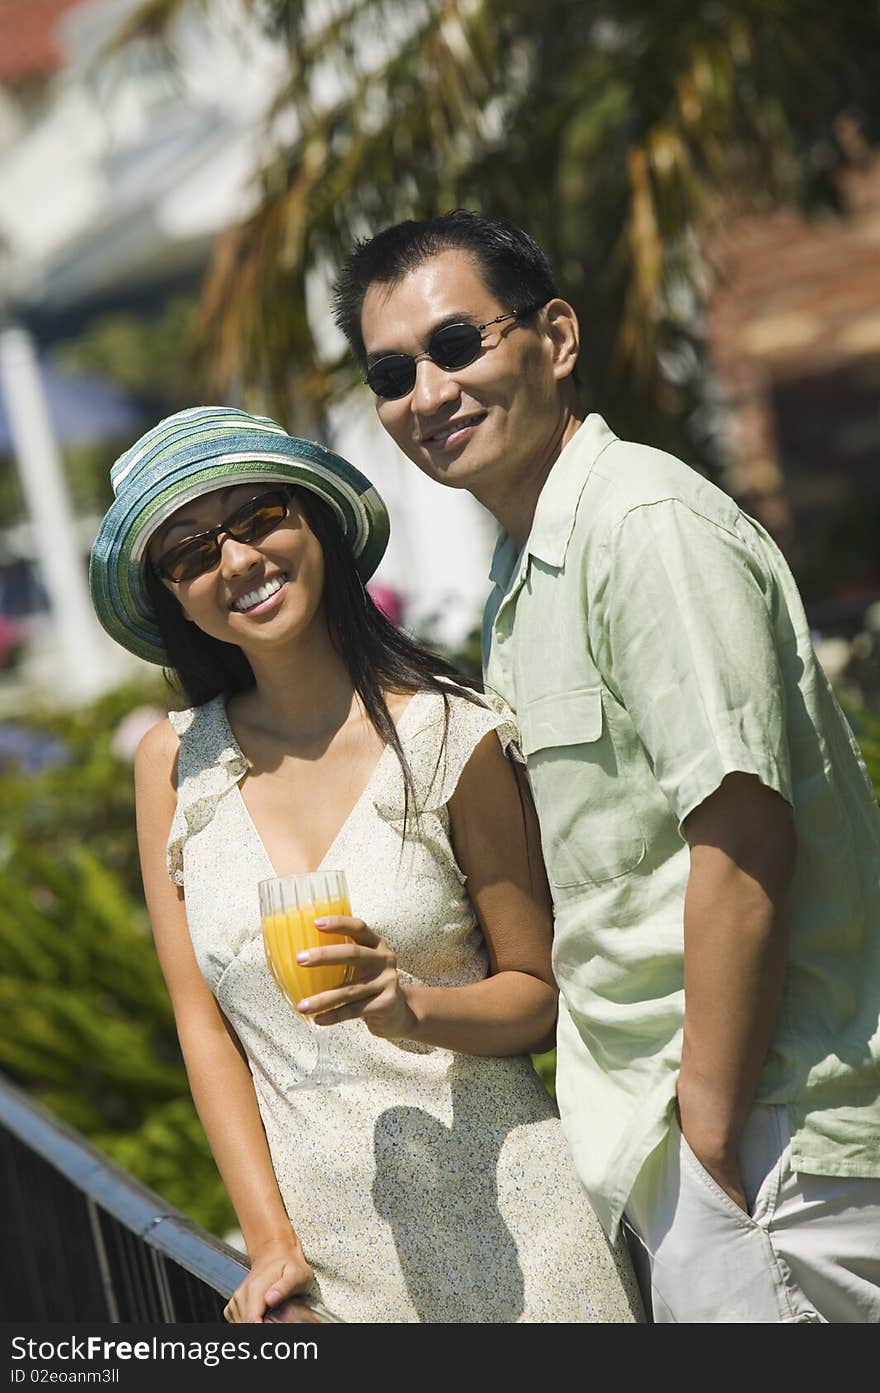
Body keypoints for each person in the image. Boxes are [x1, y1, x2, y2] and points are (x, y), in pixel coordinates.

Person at [332, 210, 880, 1323]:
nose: (426, 394)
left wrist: (712, 1130)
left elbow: (742, 836)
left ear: (556, 339)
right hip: (673, 1133)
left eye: (456, 347)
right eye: (392, 372)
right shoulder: (526, 566)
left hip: (763, 1128)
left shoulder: (644, 526)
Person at [88, 405, 642, 1324]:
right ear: (174, 597)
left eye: (259, 515)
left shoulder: (451, 732)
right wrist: (270, 1247)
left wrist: (411, 1004)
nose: (236, 561)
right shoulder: (172, 764)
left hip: (532, 1244)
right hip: (335, 1269)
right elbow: (203, 1025)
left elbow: (537, 994)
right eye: (189, 552)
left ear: (316, 521)